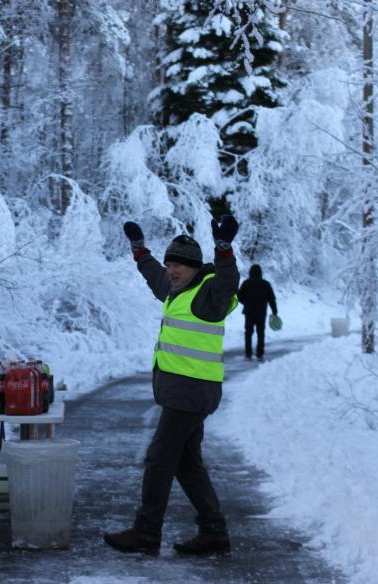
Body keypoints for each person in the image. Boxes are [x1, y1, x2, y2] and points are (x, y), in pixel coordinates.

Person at [104, 215, 240, 557]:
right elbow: (153, 274)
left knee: (159, 458)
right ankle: (214, 532)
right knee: (186, 462)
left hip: (191, 391)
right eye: (170, 264)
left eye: (179, 265)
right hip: (183, 391)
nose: (172, 270)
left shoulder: (208, 296)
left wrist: (223, 249)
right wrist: (140, 250)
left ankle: (147, 533)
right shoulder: (174, 290)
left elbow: (227, 282)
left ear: (195, 268)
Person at [237, 264, 278, 361]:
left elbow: (239, 296)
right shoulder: (265, 284)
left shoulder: (246, 283)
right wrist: (274, 311)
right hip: (261, 312)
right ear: (260, 273)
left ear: (250, 272)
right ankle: (260, 353)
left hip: (249, 312)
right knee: (260, 333)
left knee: (248, 333)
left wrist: (246, 302)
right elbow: (271, 299)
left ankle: (248, 353)